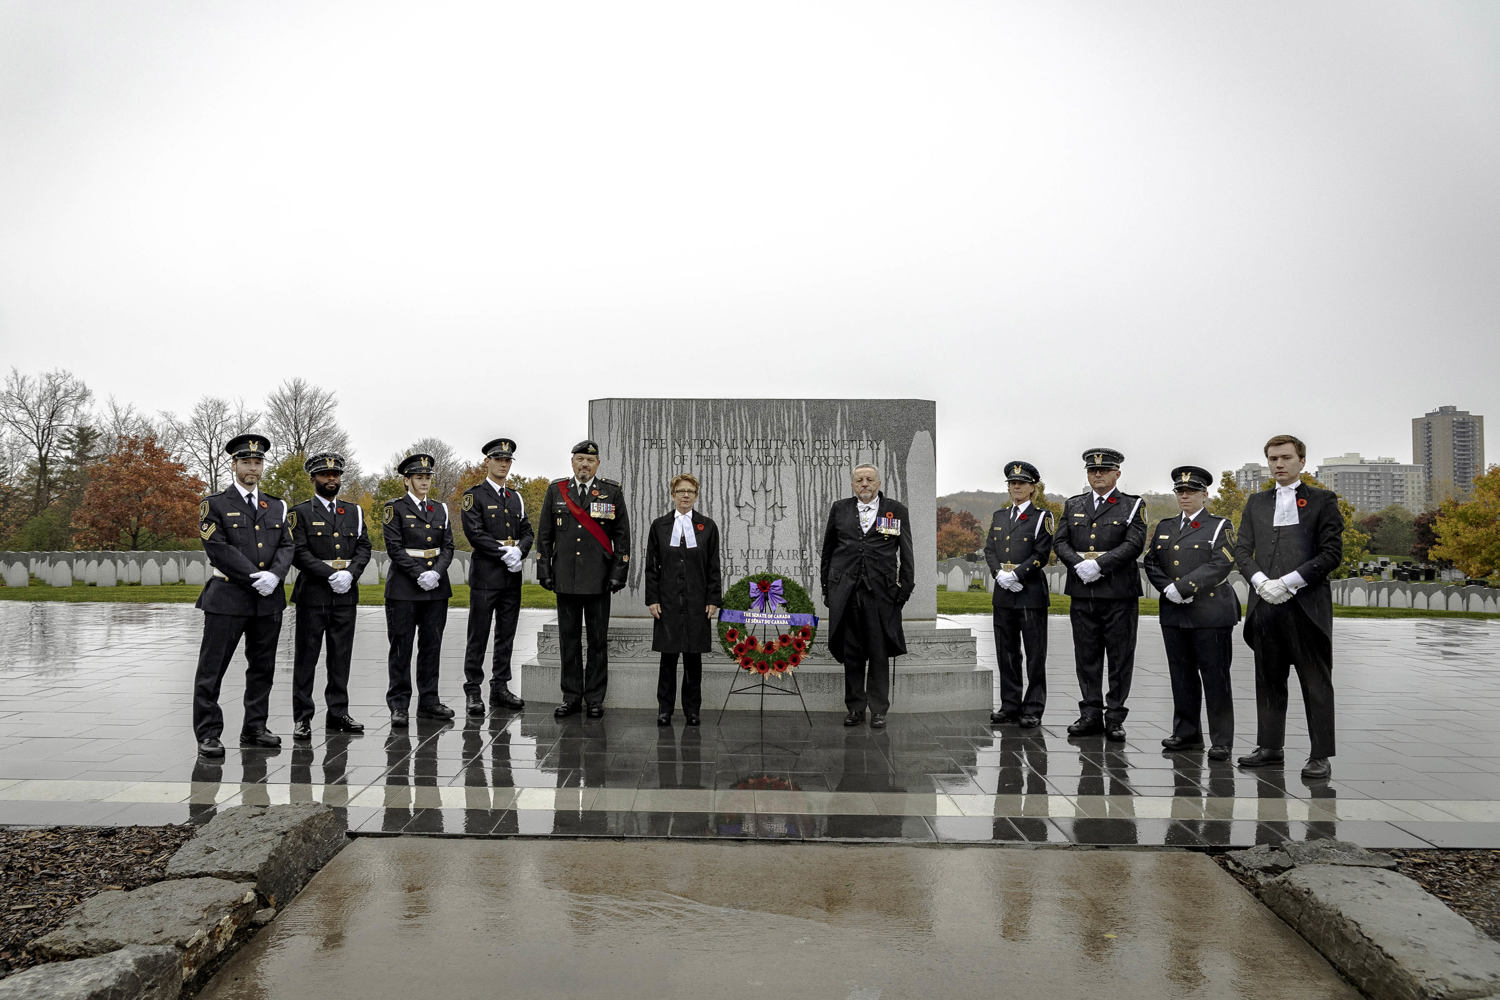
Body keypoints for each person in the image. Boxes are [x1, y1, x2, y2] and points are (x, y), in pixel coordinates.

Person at [1233, 434, 1343, 780]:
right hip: (1265, 605)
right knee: (1268, 679)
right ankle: (1269, 747)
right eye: (1272, 459)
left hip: (1306, 607)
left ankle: (1320, 754)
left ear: (1301, 461)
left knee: (1315, 682)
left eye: (1285, 458)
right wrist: (1260, 582)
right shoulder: (1256, 502)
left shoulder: (1323, 500)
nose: (1278, 464)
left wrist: (1290, 581)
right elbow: (1241, 550)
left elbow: (1331, 554)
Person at [192, 433, 293, 758]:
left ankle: (255, 727)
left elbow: (287, 545)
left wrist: (275, 575)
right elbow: (218, 548)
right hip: (228, 597)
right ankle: (208, 733)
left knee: (262, 667)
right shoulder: (215, 504)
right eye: (246, 462)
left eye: (257, 462)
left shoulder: (276, 505)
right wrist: (254, 577)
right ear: (234, 465)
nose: (252, 468)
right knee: (212, 669)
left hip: (267, 598)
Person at [1142, 466, 1240, 761]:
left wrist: (1184, 587)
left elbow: (1221, 564)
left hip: (1210, 612)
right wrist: (1168, 589)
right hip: (1174, 612)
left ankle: (1221, 740)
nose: (1185, 496)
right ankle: (1187, 733)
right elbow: (1151, 562)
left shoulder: (1219, 526)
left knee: (1215, 677)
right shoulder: (1166, 526)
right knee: (1181, 676)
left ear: (1204, 494)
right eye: (1180, 491)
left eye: (1191, 491)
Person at [1053, 448, 1147, 742]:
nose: (1097, 475)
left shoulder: (1132, 505)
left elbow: (1134, 543)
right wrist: (1078, 564)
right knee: (1086, 656)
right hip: (1083, 592)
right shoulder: (1073, 504)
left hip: (1119, 594)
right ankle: (1090, 713)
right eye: (1093, 471)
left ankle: (1115, 716)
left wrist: (1100, 565)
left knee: (1120, 657)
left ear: (1117, 473)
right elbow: (1061, 541)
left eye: (1104, 470)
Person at [536, 439, 631, 719]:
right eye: (580, 459)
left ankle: (595, 699)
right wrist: (544, 571)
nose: (584, 465)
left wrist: (618, 573)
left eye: (590, 460)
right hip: (565, 578)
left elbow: (622, 537)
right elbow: (545, 536)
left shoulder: (611, 492)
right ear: (572, 462)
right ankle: (571, 697)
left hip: (599, 579)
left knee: (598, 642)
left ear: (597, 464)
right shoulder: (556, 491)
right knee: (569, 641)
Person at [820, 463, 915, 729]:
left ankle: (878, 709)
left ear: (878, 483)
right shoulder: (839, 509)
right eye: (859, 480)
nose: (864, 484)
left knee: (878, 651)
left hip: (881, 594)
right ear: (853, 485)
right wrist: (827, 588)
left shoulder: (895, 510)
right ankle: (855, 707)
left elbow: (906, 552)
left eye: (869, 479)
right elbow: (828, 551)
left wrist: (904, 589)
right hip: (846, 592)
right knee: (852, 652)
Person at [288, 451, 372, 740]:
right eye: (325, 474)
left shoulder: (354, 512)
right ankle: (303, 717)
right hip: (313, 594)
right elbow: (298, 552)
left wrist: (351, 574)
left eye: (335, 475)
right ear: (313, 478)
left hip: (345, 595)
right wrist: (329, 574)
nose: (331, 479)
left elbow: (363, 547)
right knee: (306, 658)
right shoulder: (299, 513)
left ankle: (338, 712)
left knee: (340, 657)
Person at [459, 437, 533, 717]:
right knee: (478, 634)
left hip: (511, 578)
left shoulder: (515, 498)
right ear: (487, 462)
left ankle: (500, 686)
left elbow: (527, 531)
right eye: (498, 459)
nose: (503, 464)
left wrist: (521, 551)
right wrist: (506, 553)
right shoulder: (474, 496)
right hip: (486, 576)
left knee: (506, 634)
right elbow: (475, 534)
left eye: (507, 460)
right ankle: (473, 689)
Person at [382, 452, 456, 727]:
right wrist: (418, 574)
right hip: (404, 588)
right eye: (419, 477)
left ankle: (429, 701)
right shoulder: (395, 508)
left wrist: (436, 573)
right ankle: (399, 704)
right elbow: (394, 548)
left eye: (427, 477)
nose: (424, 482)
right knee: (401, 648)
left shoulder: (440, 509)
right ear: (407, 480)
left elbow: (448, 546)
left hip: (435, 587)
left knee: (431, 646)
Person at [644, 473, 722, 727]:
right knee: (667, 659)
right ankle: (664, 709)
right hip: (667, 602)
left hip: (697, 602)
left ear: (696, 496)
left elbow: (713, 566)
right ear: (672, 495)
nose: (685, 495)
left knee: (693, 658)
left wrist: (713, 599)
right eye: (680, 491)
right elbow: (651, 567)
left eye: (690, 491)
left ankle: (692, 710)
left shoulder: (708, 527)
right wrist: (652, 599)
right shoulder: (659, 526)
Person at [984, 460, 1054, 728]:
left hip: (1030, 593)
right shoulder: (1000, 517)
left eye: (1022, 483)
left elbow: (1041, 553)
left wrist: (1017, 575)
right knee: (1006, 652)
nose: (1016, 487)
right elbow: (990, 550)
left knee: (1035, 654)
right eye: (1012, 483)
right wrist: (998, 574)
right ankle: (1010, 705)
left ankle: (1033, 707)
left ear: (1032, 488)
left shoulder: (1041, 517)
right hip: (1003, 593)